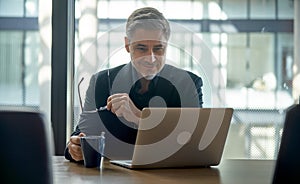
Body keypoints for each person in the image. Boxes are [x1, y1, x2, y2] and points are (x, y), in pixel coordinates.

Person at [65, 7, 203, 162]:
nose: (150, 58)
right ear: (127, 45)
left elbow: (194, 146)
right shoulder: (102, 82)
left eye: (158, 48)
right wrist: (75, 148)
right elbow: (80, 136)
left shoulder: (188, 83)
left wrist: (139, 118)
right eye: (141, 48)